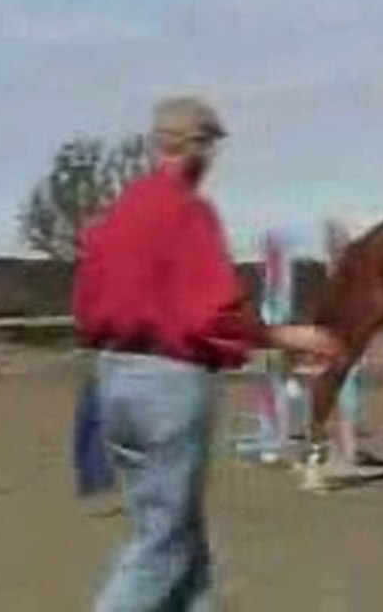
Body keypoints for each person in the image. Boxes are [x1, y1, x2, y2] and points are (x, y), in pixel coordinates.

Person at [73, 96, 341, 612]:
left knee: (181, 538)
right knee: (162, 545)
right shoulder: (188, 212)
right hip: (168, 387)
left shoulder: (120, 211)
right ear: (200, 148)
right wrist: (290, 338)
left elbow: (88, 306)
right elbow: (213, 314)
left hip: (113, 380)